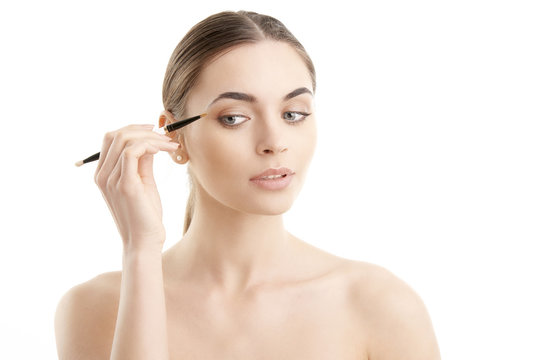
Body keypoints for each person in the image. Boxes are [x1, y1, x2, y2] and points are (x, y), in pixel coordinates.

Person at [54, 10, 440, 359]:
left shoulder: (380, 305)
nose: (274, 141)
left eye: (293, 113)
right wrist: (141, 251)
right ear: (175, 135)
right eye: (234, 118)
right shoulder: (95, 308)